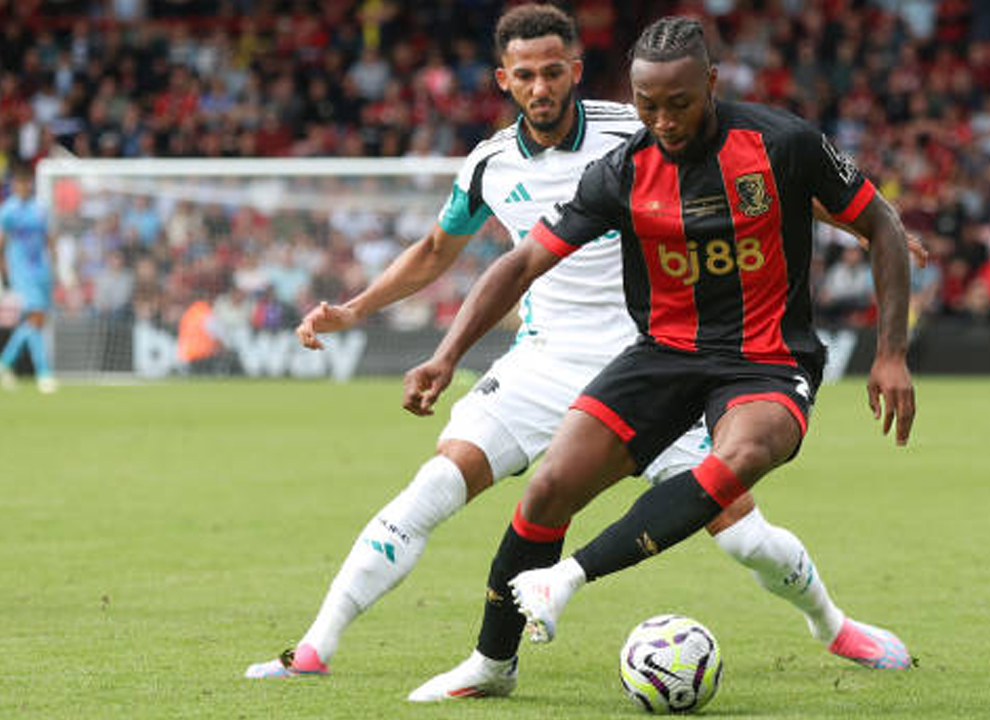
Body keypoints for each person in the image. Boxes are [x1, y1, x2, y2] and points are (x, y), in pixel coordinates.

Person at [245, 5, 919, 694]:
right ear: (504, 80)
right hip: (557, 362)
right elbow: (459, 255)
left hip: (677, 350)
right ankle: (339, 651)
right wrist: (405, 333)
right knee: (456, 487)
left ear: (576, 70)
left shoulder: (642, 128)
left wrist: (866, 226)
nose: (541, 87)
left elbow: (766, 182)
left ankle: (831, 624)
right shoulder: (510, 164)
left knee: (743, 530)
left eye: (552, 71)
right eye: (526, 75)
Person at [0, 164, 57, 394]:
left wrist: (56, 266)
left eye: (26, 183)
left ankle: (4, 364)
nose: (23, 187)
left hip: (41, 271)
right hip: (21, 272)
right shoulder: (8, 211)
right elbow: (1, 244)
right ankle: (44, 374)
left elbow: (49, 238)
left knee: (36, 323)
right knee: (35, 319)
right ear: (14, 186)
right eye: (19, 183)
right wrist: (4, 274)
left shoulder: (39, 209)